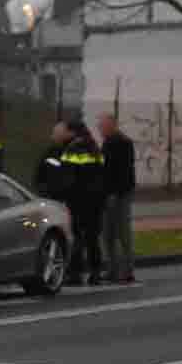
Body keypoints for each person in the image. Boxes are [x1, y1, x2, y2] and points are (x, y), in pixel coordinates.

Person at [60, 119, 107, 286]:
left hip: (78, 201)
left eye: (65, 130)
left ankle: (75, 274)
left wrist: (65, 198)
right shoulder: (95, 148)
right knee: (93, 237)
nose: (63, 133)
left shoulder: (73, 149)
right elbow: (102, 176)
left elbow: (68, 178)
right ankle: (95, 273)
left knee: (77, 237)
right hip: (96, 201)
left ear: (72, 132)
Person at [99, 112, 137, 283]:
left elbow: (123, 172)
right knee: (108, 233)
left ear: (112, 125)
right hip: (110, 194)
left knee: (121, 232)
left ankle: (126, 270)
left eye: (103, 125)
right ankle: (113, 269)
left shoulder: (122, 143)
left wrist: (114, 193)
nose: (100, 129)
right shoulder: (108, 142)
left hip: (119, 194)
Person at [34, 122, 73, 200]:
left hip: (60, 198)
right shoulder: (51, 151)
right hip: (48, 195)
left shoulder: (72, 153)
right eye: (54, 134)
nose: (52, 137)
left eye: (55, 134)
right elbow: (39, 173)